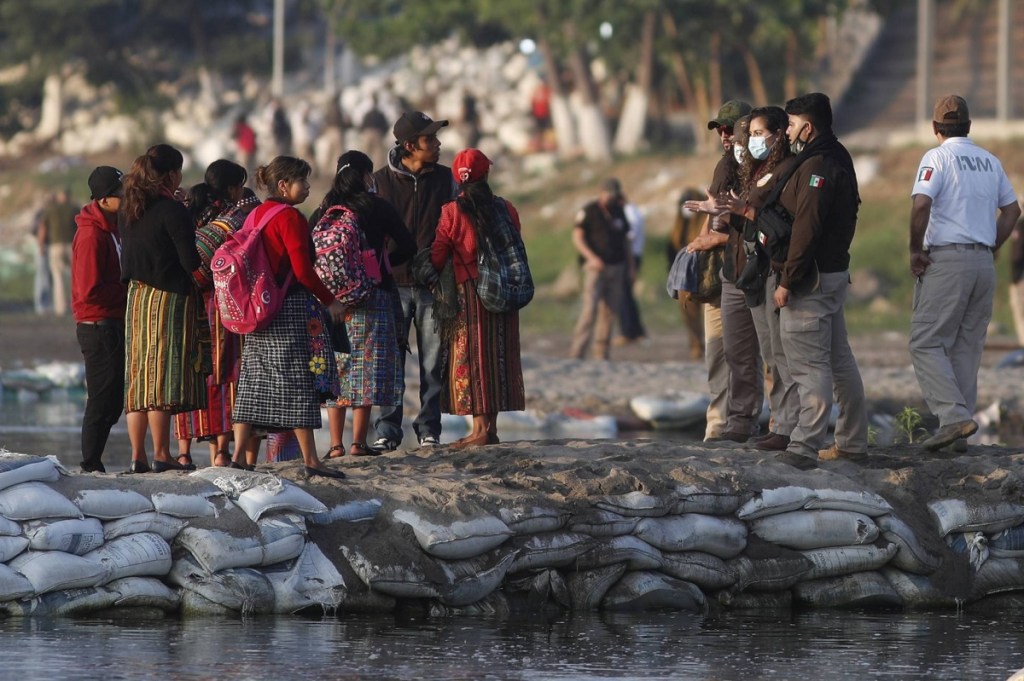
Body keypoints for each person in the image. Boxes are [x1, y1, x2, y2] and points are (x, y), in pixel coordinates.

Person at [908, 95, 1020, 452]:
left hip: (948, 260)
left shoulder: (936, 157)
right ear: (969, 126)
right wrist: (993, 246)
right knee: (967, 348)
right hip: (982, 263)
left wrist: (914, 250)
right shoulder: (989, 160)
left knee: (926, 341)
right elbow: (1012, 210)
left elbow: (922, 203)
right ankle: (960, 434)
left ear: (935, 128)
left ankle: (953, 418)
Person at [228, 156, 347, 479]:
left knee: (253, 381)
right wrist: (330, 300)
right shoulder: (290, 218)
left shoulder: (255, 214)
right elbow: (303, 271)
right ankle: (311, 459)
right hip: (288, 307)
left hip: (257, 310)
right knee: (297, 380)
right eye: (302, 181)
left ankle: (239, 456)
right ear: (283, 185)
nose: (308, 187)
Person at [771, 92, 869, 469]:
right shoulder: (839, 155)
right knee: (839, 361)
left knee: (809, 365)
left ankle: (804, 446)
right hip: (833, 275)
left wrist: (787, 280)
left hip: (810, 280)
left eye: (792, 125)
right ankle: (852, 443)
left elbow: (806, 229)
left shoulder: (819, 167)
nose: (788, 132)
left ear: (807, 127)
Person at [310, 150, 416, 457]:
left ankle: (334, 446)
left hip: (331, 302)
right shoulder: (377, 206)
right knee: (365, 369)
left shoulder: (325, 209)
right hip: (373, 296)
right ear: (366, 175)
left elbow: (308, 249)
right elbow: (407, 245)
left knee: (336, 367)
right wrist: (382, 266)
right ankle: (358, 443)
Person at [369, 112, 457, 452]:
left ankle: (429, 429)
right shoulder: (379, 183)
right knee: (390, 362)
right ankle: (388, 430)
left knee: (433, 362)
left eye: (435, 139)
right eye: (429, 139)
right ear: (409, 146)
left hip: (434, 286)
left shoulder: (447, 181)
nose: (437, 144)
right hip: (391, 285)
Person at [716, 106, 801, 451]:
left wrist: (743, 211)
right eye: (745, 136)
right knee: (753, 351)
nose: (746, 143)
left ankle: (786, 425)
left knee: (778, 355)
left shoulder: (786, 169)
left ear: (779, 133)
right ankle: (750, 422)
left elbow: (779, 224)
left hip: (772, 270)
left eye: (754, 134)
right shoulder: (753, 169)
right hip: (745, 271)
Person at [430, 148, 526, 447]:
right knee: (499, 357)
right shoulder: (505, 208)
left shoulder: (452, 212)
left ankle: (480, 432)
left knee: (473, 359)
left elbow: (438, 254)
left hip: (468, 292)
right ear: (486, 175)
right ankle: (490, 429)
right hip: (502, 293)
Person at [119, 144, 205, 473]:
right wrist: (184, 216)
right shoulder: (173, 212)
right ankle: (162, 454)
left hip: (137, 298)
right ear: (171, 175)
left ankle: (137, 456)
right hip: (169, 299)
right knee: (161, 377)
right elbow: (190, 261)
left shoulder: (129, 206)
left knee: (139, 377)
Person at [173, 160, 257, 468]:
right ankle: (223, 450)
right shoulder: (233, 218)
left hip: (192, 304)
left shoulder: (191, 212)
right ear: (234, 188)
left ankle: (189, 452)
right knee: (227, 371)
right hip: (224, 304)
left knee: (198, 371)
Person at [683, 99, 752, 441]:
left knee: (746, 356)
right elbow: (715, 219)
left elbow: (755, 225)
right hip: (720, 277)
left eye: (730, 128)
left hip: (749, 275)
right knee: (717, 354)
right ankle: (718, 427)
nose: (725, 136)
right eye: (721, 130)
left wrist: (712, 241)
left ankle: (745, 424)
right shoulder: (724, 167)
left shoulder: (758, 170)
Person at [71, 166, 128, 473]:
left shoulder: (114, 228)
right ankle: (89, 463)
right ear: (105, 200)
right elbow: (89, 290)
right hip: (97, 326)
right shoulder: (91, 235)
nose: (127, 198)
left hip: (113, 323)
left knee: (113, 401)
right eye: (122, 194)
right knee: (101, 399)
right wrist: (129, 291)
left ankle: (94, 460)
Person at [568, 178, 633, 360]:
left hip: (617, 266)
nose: (611, 197)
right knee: (589, 310)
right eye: (608, 193)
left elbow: (626, 240)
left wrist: (631, 266)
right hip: (595, 268)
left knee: (610, 312)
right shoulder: (589, 211)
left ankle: (601, 353)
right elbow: (577, 237)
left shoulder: (619, 211)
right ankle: (577, 351)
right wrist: (591, 257)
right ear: (601, 192)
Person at [668, 188, 707, 361]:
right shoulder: (678, 229)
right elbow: (671, 251)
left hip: (705, 275)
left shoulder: (705, 224)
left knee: (708, 315)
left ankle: (708, 345)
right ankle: (696, 344)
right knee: (689, 315)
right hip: (683, 278)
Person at [38, 188, 78, 316]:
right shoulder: (74, 208)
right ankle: (77, 305)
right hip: (72, 245)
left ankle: (60, 308)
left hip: (55, 246)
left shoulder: (50, 210)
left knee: (58, 278)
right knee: (76, 277)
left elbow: (43, 228)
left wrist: (41, 246)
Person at [615, 195, 647, 346]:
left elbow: (629, 236)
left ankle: (628, 332)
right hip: (633, 256)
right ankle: (637, 331)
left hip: (630, 257)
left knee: (623, 296)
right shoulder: (634, 211)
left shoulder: (628, 213)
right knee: (626, 295)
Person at [31, 205, 53, 314]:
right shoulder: (45, 214)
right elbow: (42, 230)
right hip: (43, 247)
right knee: (43, 277)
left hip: (42, 247)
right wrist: (41, 246)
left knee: (44, 277)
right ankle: (42, 305)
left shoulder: (41, 212)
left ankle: (43, 304)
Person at [1009, 216, 1024, 346]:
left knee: (1020, 312)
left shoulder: (1021, 224)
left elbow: (1017, 254)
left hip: (1021, 276)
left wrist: (1015, 276)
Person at [233, 114, 257, 181]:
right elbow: (254, 135)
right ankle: (252, 184)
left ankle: (246, 185)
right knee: (251, 169)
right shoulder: (248, 128)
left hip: (244, 151)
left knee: (243, 170)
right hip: (252, 150)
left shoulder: (238, 127)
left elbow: (232, 136)